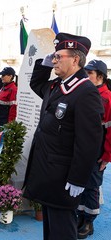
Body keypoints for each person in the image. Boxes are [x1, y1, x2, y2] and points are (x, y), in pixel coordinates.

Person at [22, 32, 104, 240]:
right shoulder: (58, 86)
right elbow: (35, 84)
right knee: (51, 231)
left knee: (62, 232)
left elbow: (88, 143)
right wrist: (45, 63)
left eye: (59, 56)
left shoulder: (85, 92)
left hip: (63, 179)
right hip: (49, 174)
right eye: (54, 56)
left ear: (75, 59)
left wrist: (78, 179)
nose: (55, 60)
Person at [77, 60, 111, 239]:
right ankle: (80, 216)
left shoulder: (108, 98)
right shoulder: (86, 93)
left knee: (91, 186)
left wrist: (106, 155)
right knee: (79, 182)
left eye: (89, 73)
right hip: (81, 148)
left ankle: (88, 222)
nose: (86, 76)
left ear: (100, 76)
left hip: (97, 152)